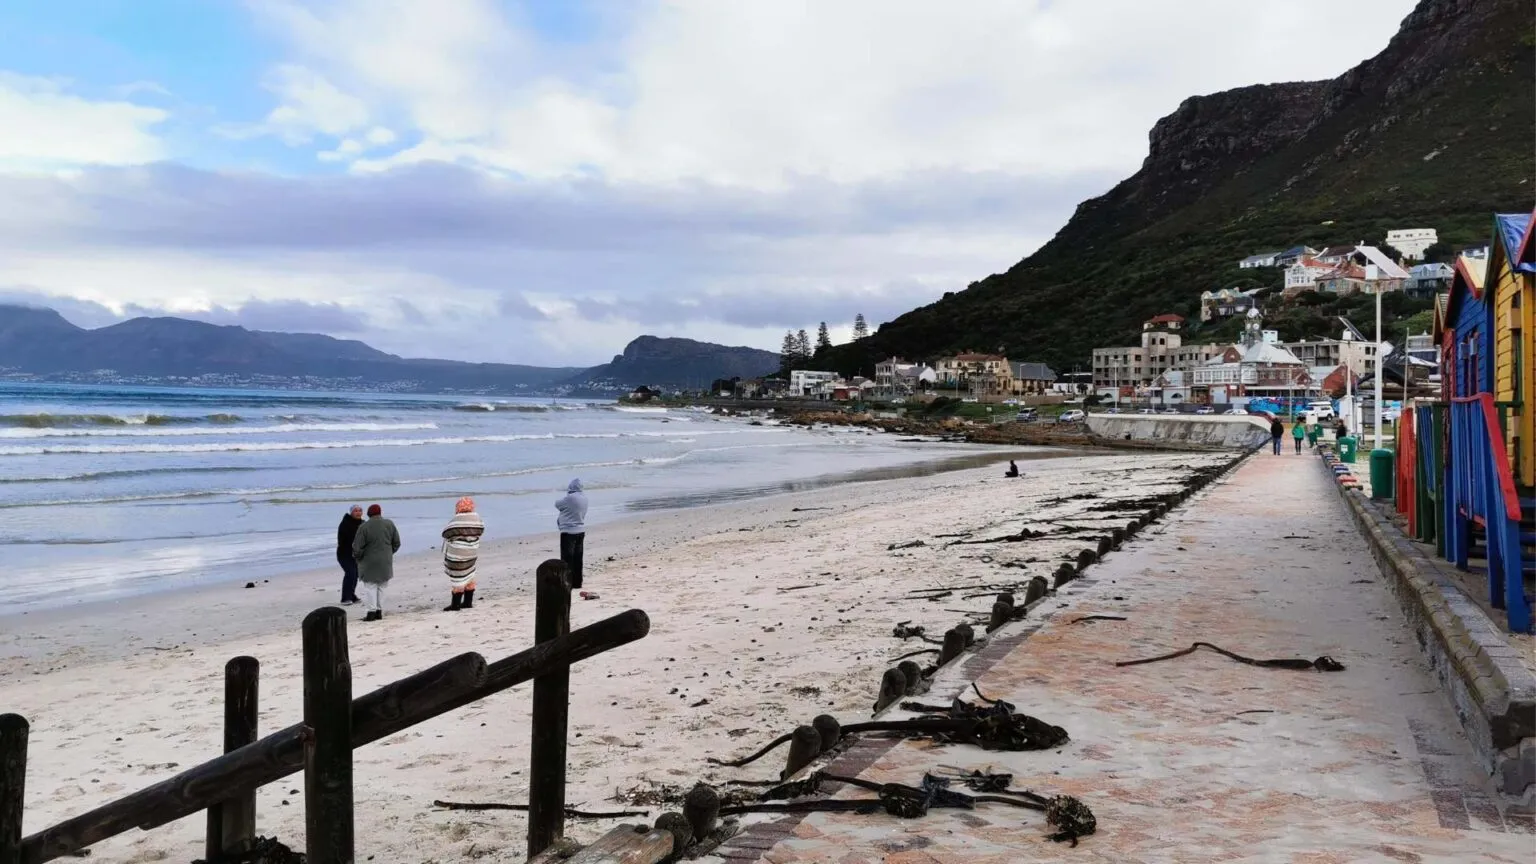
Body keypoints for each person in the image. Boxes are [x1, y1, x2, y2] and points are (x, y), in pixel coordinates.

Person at [352, 503, 400, 622]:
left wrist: (358, 558)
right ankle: (379, 611)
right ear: (380, 512)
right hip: (386, 560)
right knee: (382, 586)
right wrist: (388, 553)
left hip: (369, 561)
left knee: (370, 587)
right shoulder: (389, 524)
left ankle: (371, 612)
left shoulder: (364, 527)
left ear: (369, 513)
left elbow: (357, 547)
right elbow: (397, 543)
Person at [442, 496, 484, 612]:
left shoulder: (456, 519)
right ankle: (467, 602)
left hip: (458, 554)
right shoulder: (477, 519)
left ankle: (455, 605)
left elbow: (446, 533)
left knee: (458, 577)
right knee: (470, 574)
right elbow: (480, 531)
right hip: (471, 553)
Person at [556, 478, 589, 590]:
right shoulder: (584, 498)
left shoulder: (569, 498)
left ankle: (567, 582)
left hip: (568, 531)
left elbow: (557, 504)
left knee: (567, 558)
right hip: (580, 530)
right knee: (578, 558)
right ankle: (577, 582)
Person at [336, 505, 364, 605]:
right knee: (350, 573)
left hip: (356, 554)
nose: (358, 513)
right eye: (355, 511)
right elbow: (342, 541)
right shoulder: (345, 523)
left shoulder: (362, 523)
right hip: (344, 554)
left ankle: (351, 595)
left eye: (360, 511)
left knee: (356, 574)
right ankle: (345, 598)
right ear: (351, 512)